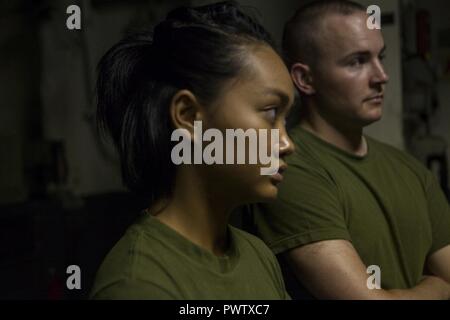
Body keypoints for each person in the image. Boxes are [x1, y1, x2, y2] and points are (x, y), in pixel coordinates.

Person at [89, 1, 295, 299]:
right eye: (270, 112)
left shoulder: (256, 255)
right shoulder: (138, 284)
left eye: (286, 119)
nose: (287, 144)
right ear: (188, 116)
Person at [254, 0, 450, 299]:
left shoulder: (411, 170)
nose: (381, 76)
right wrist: (435, 288)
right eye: (357, 61)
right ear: (305, 79)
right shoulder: (287, 168)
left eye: (379, 57)